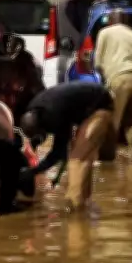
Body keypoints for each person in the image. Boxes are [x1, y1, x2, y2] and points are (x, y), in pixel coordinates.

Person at [19, 82, 115, 211]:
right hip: (88, 107)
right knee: (80, 155)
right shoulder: (35, 109)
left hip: (100, 106)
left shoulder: (54, 114)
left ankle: (75, 207)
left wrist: (34, 171)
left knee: (77, 160)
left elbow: (59, 152)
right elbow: (62, 151)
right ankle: (84, 202)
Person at [93, 9, 132, 162]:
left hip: (120, 76)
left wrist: (105, 81)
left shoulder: (105, 33)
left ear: (111, 21)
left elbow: (98, 63)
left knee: (112, 120)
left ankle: (106, 161)